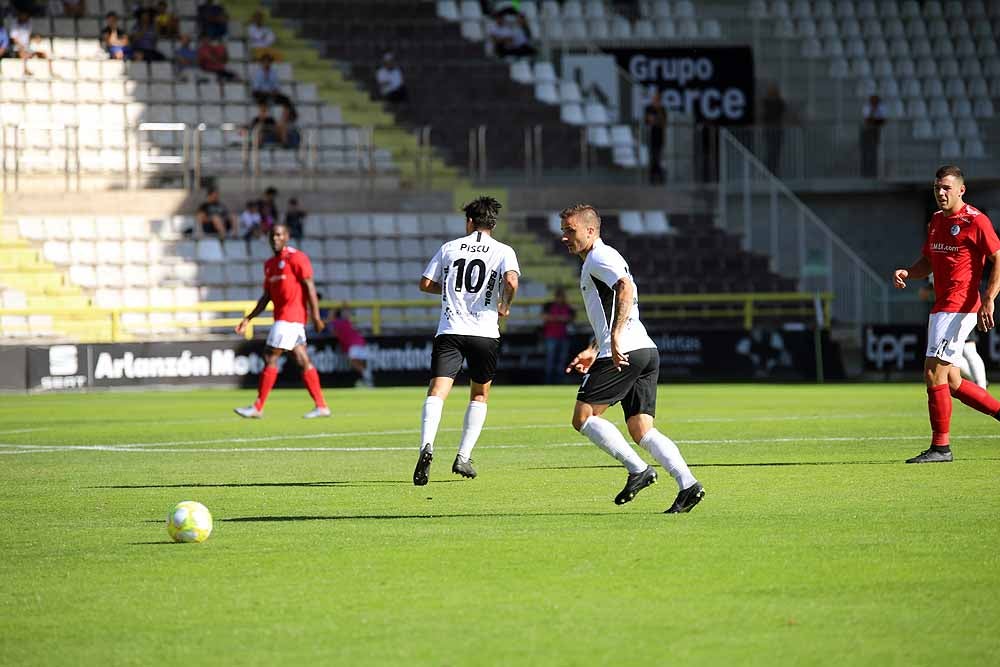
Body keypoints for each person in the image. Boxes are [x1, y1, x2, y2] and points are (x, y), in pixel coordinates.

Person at [559, 204, 704, 513]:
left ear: (590, 230)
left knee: (584, 418)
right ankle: (688, 484)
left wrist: (614, 337)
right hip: (644, 349)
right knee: (642, 429)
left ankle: (638, 470)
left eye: (570, 231)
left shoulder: (599, 257)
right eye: (563, 231)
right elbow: (614, 304)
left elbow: (626, 288)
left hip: (624, 349)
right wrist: (593, 346)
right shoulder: (600, 259)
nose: (564, 237)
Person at [892, 165, 1000, 463]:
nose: (941, 193)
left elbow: (997, 257)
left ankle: (941, 447)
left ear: (961, 190)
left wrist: (989, 297)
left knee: (932, 373)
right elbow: (929, 260)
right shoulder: (937, 221)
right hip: (942, 306)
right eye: (937, 188)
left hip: (960, 306)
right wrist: (908, 272)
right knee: (951, 380)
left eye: (947, 188)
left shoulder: (976, 221)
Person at [412, 196, 520, 485]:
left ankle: (426, 446)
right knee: (479, 394)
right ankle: (463, 455)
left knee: (437, 391)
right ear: (492, 225)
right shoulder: (503, 250)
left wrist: (449, 291)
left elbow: (424, 283)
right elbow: (511, 282)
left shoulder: (449, 248)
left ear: (469, 222)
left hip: (450, 330)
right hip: (484, 332)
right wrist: (505, 305)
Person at [234, 223, 330, 419]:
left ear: (287, 236)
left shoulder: (297, 258)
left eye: (279, 235)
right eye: (272, 235)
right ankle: (321, 406)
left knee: (270, 357)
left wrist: (316, 316)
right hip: (285, 319)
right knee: (302, 359)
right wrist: (249, 318)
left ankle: (258, 407)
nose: (275, 238)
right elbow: (266, 296)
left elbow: (310, 287)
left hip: (290, 318)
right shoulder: (269, 265)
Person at [328, 304, 374, 388]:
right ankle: (367, 379)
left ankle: (367, 378)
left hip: (354, 344)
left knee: (354, 362)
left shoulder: (335, 323)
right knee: (359, 362)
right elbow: (346, 315)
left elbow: (331, 325)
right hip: (360, 342)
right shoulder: (345, 321)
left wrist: (336, 309)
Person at [541, 286, 574, 384]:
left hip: (564, 336)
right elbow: (544, 317)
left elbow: (570, 318)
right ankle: (548, 380)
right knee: (550, 359)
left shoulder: (567, 307)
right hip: (551, 336)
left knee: (561, 360)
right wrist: (560, 318)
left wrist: (555, 318)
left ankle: (559, 380)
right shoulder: (549, 306)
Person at [761, 83, 786, 174]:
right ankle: (769, 168)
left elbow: (783, 116)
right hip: (770, 130)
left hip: (776, 130)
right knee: (771, 151)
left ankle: (773, 169)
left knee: (775, 152)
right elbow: (763, 116)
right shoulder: (766, 102)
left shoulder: (780, 103)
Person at [643, 89, 667, 184]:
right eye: (655, 98)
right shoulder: (648, 108)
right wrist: (655, 119)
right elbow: (649, 120)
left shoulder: (662, 109)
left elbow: (663, 121)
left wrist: (656, 117)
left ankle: (658, 174)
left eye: (657, 98)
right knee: (653, 155)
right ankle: (653, 175)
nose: (656, 100)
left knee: (658, 155)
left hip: (660, 135)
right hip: (652, 135)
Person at [860, 94, 885, 178]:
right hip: (867, 133)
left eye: (876, 101)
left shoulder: (881, 108)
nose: (875, 103)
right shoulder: (866, 108)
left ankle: (875, 172)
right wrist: (873, 115)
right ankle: (866, 173)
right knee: (867, 154)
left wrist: (874, 120)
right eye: (874, 101)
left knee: (875, 153)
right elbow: (867, 120)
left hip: (876, 133)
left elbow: (882, 121)